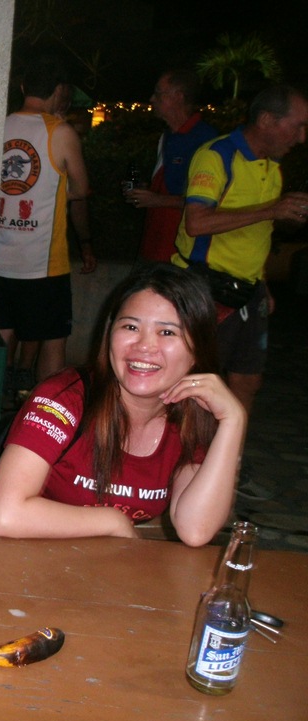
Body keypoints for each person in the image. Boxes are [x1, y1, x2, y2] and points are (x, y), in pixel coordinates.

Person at [0, 264, 246, 547]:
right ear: (109, 333)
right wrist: (113, 522)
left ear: (198, 349)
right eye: (131, 327)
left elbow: (195, 530)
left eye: (167, 332)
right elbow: (5, 515)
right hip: (21, 551)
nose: (144, 345)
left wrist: (233, 420)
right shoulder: (65, 398)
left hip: (98, 561)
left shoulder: (192, 415)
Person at [171, 83, 308, 499]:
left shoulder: (271, 167)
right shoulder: (218, 155)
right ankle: (179, 468)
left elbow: (256, 233)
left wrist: (261, 282)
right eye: (297, 126)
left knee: (247, 381)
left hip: (247, 289)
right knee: (194, 384)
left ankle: (228, 467)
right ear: (267, 120)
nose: (301, 137)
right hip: (205, 286)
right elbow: (196, 222)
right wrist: (272, 208)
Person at [0, 53, 97, 401]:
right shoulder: (60, 132)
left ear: (23, 87)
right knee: (52, 339)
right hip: (43, 264)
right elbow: (81, 189)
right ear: (58, 91)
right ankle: (44, 415)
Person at [125, 70, 217, 262]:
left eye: (159, 94)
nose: (152, 99)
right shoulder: (168, 137)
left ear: (178, 96)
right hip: (154, 244)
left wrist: (157, 200)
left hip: (180, 252)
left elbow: (211, 204)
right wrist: (145, 193)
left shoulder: (207, 141)